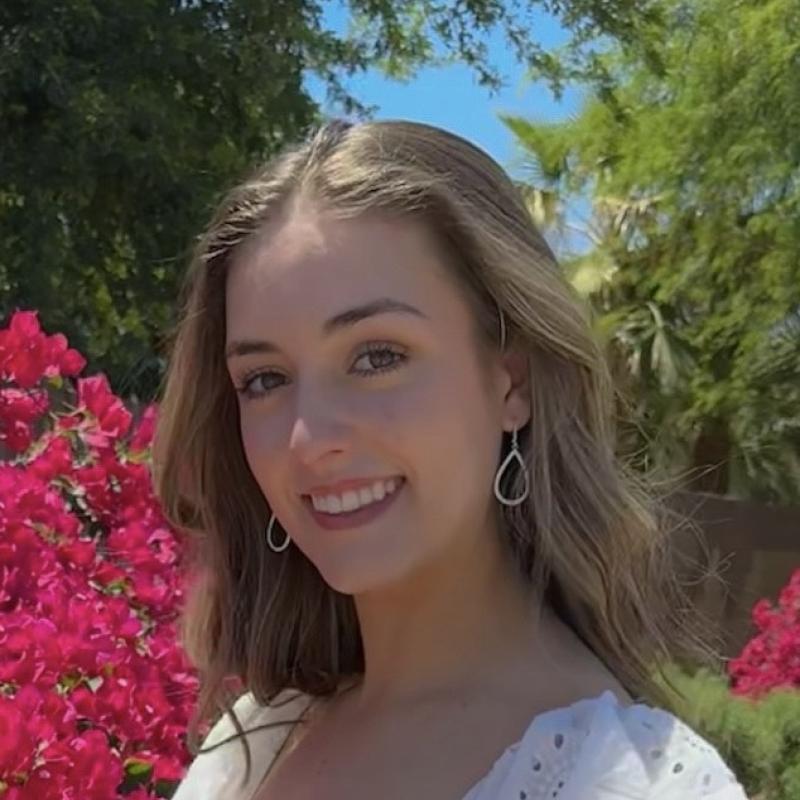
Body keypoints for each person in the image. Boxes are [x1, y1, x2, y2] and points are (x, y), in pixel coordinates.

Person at [152, 119, 748, 799]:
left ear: (511, 383)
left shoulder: (629, 783)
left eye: (378, 357)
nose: (307, 440)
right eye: (264, 379)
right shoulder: (256, 738)